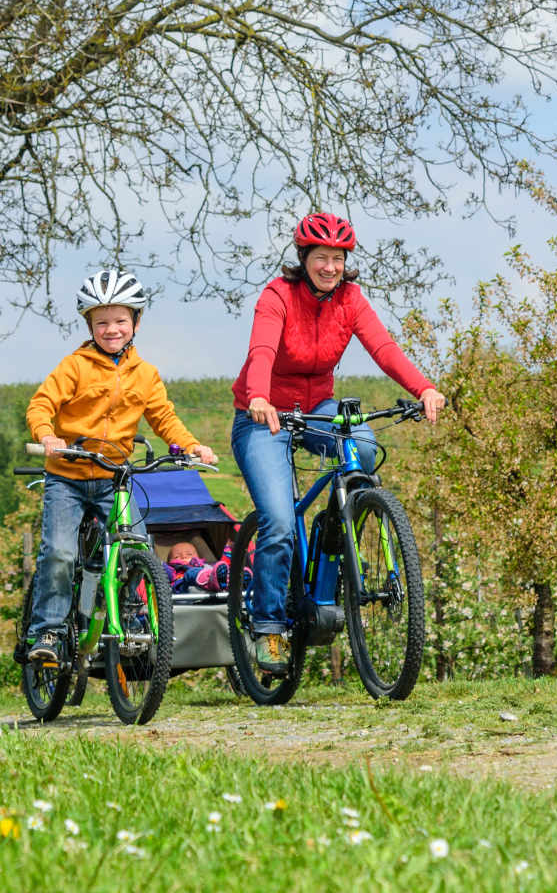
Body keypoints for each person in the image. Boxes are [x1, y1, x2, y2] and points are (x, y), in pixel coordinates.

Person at [231, 212, 446, 667]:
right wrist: (259, 396)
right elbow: (262, 350)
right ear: (304, 257)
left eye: (337, 258)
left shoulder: (350, 299)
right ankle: (269, 626)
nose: (330, 266)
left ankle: (336, 529)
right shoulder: (278, 296)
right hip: (263, 414)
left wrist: (422, 387)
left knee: (363, 447)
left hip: (318, 410)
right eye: (321, 257)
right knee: (278, 522)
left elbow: (383, 349)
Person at [24, 269, 220, 664]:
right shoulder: (75, 366)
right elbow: (41, 404)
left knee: (137, 548)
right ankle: (45, 632)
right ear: (89, 325)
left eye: (119, 320)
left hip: (115, 478)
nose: (111, 329)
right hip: (69, 477)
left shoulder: (145, 375)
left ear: (135, 322)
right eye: (102, 322)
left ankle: (132, 623)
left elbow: (164, 418)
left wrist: (192, 445)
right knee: (60, 554)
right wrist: (48, 436)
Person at [165, 540, 231, 593]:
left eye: (189, 554)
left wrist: (227, 552)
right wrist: (160, 564)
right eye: (177, 556)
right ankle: (210, 580)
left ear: (198, 557)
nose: (184, 556)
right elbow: (164, 572)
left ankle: (226, 581)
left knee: (215, 568)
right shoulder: (172, 568)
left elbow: (219, 567)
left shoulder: (204, 565)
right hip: (184, 587)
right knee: (190, 573)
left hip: (209, 587)